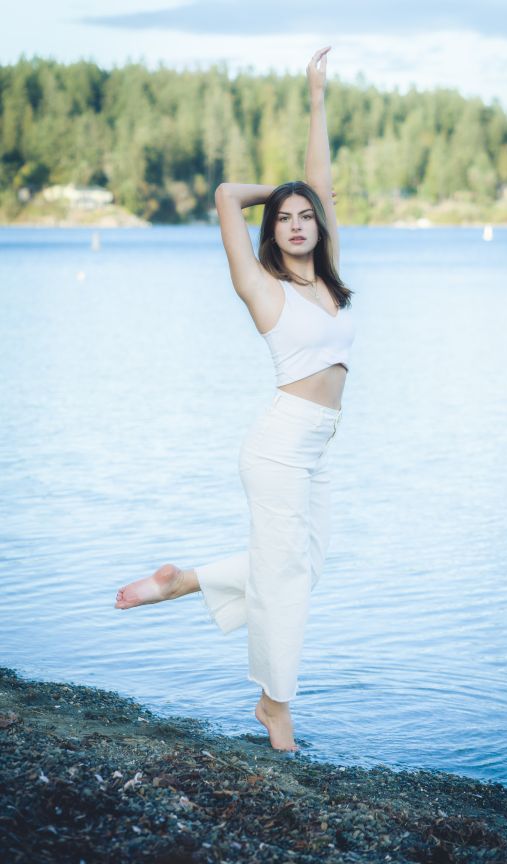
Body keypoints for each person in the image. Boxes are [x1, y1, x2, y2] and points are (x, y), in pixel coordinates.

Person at [114, 47, 355, 752]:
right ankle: (275, 706)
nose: (298, 221)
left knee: (304, 562)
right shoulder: (262, 287)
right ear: (271, 232)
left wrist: (316, 100)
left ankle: (188, 580)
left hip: (317, 447)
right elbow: (224, 195)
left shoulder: (331, 279)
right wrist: (276, 190)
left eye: (306, 214)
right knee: (284, 579)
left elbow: (319, 180)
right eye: (284, 217)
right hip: (279, 446)